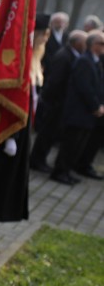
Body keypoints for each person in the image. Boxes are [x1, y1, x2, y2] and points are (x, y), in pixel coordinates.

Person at [49, 30, 104, 184]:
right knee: (70, 144)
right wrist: (95, 105)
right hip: (78, 111)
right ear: (93, 45)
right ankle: (59, 171)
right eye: (102, 43)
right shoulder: (84, 61)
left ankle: (67, 171)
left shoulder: (94, 61)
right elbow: (84, 87)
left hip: (87, 113)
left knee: (77, 145)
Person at [31, 30, 88, 172]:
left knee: (51, 134)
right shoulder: (65, 56)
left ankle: (41, 159)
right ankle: (36, 160)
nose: (86, 45)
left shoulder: (72, 55)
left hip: (60, 103)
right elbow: (55, 81)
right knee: (46, 134)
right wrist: (53, 101)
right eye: (84, 42)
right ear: (76, 43)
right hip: (55, 102)